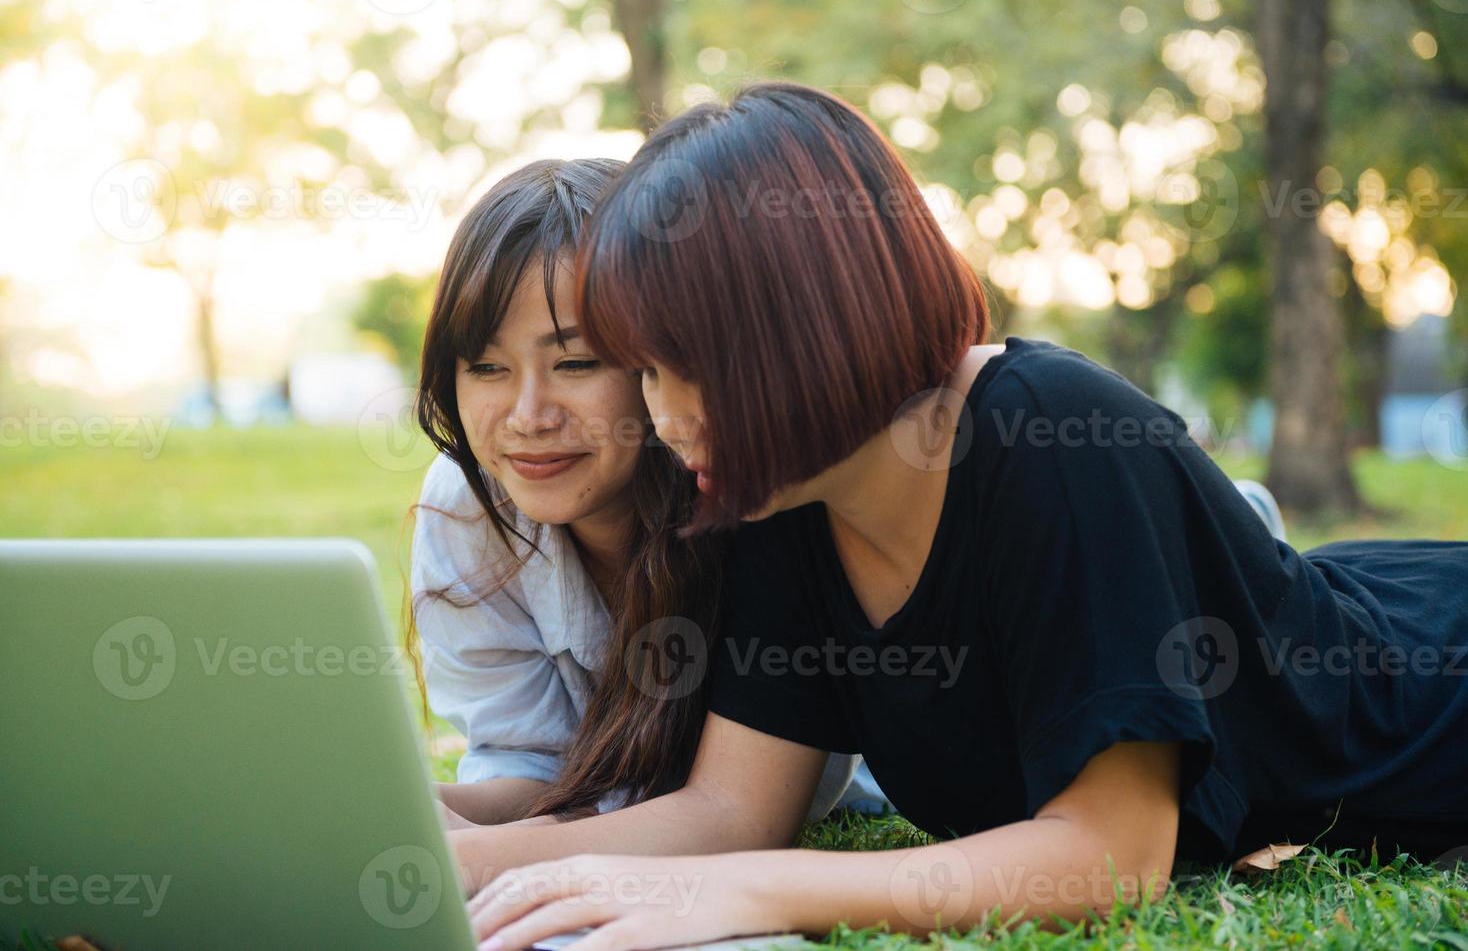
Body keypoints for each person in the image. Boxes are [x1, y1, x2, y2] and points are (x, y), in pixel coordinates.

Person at [453, 82, 1468, 948]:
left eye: (688, 369)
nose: (666, 417)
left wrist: (757, 889)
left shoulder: (1048, 431)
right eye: (646, 372)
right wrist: (454, 857)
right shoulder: (777, 491)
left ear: (804, 329)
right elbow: (731, 807)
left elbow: (1113, 854)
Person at [409, 157, 873, 830]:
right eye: (486, 367)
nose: (528, 415)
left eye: (575, 363)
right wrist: (417, 812)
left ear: (660, 362)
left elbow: (751, 811)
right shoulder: (468, 502)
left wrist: (487, 853)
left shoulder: (761, 504)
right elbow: (532, 768)